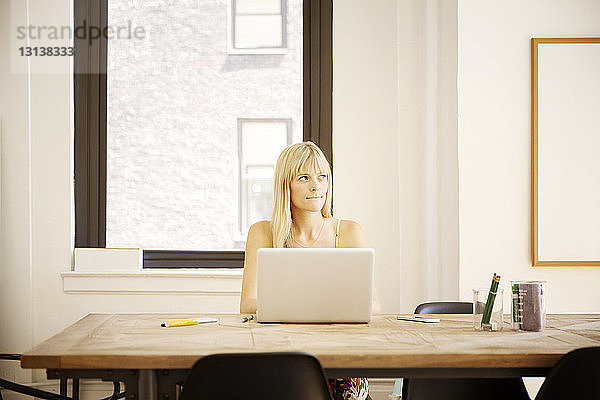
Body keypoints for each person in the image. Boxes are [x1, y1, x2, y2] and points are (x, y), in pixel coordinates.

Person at [240, 141, 381, 400]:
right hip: (280, 353)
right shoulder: (262, 232)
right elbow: (248, 304)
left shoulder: (349, 231)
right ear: (286, 185)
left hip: (340, 355)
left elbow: (371, 306)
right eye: (304, 177)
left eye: (322, 176)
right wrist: (326, 308)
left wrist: (292, 308)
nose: (316, 186)